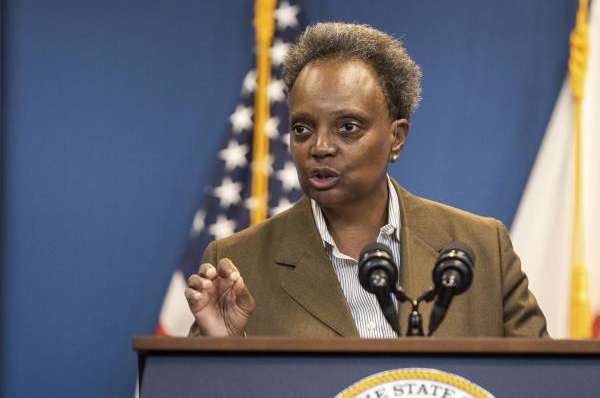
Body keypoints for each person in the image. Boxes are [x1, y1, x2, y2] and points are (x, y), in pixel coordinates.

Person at [185, 22, 548, 338]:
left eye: (348, 127)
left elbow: (540, 384)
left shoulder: (483, 249)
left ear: (396, 138)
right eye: (302, 129)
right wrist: (223, 347)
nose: (320, 147)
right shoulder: (237, 264)